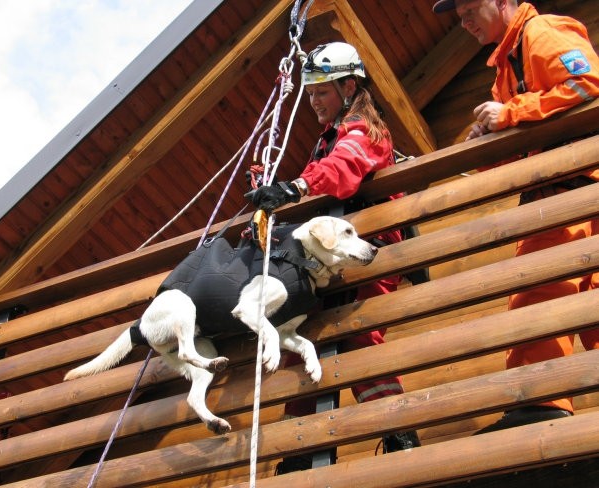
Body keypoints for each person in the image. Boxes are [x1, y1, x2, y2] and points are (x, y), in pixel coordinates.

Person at [249, 42, 421, 473]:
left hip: (362, 257)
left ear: (348, 86)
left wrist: (296, 188)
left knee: (358, 339)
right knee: (303, 346)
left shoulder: (364, 130)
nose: (312, 102)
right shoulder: (328, 140)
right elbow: (323, 178)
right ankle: (300, 452)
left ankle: (400, 437)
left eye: (320, 92)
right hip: (328, 265)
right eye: (309, 94)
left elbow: (344, 171)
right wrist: (276, 188)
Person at [433, 0, 599, 432]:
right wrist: (488, 143)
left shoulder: (539, 33)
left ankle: (541, 406)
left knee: (536, 295)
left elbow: (589, 84)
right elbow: (527, 135)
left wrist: (512, 113)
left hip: (570, 192)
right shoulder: (507, 66)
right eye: (459, 16)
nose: (463, 21)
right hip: (576, 192)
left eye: (469, 9)